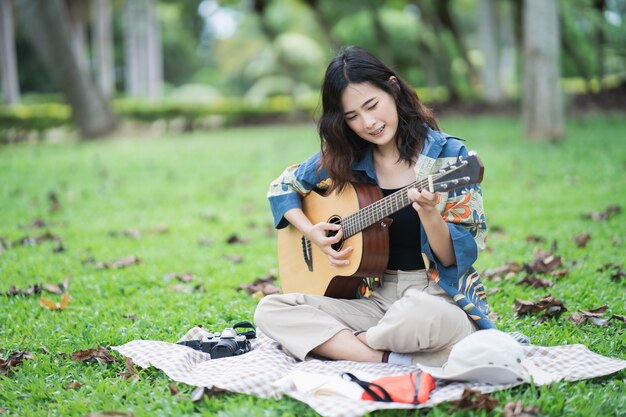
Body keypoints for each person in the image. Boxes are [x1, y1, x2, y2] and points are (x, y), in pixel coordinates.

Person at [254, 46, 494, 367]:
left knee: (421, 316)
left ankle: (346, 345)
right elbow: (282, 186)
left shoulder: (450, 158)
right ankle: (390, 356)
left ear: (392, 89)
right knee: (270, 309)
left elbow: (453, 259)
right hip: (375, 301)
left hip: (435, 298)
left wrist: (429, 214)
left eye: (372, 105)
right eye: (352, 116)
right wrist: (312, 230)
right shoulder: (344, 158)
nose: (368, 123)